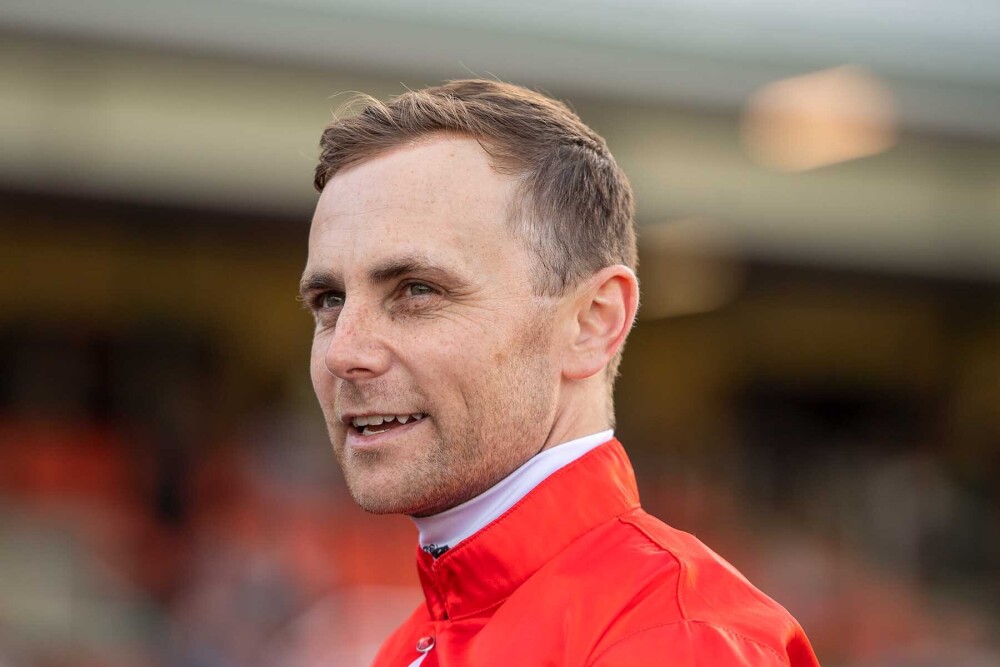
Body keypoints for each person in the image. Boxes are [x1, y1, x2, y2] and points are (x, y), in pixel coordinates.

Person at [300, 79, 820, 666]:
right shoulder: (414, 640)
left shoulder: (677, 641)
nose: (344, 351)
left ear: (593, 323)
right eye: (330, 301)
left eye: (418, 290)